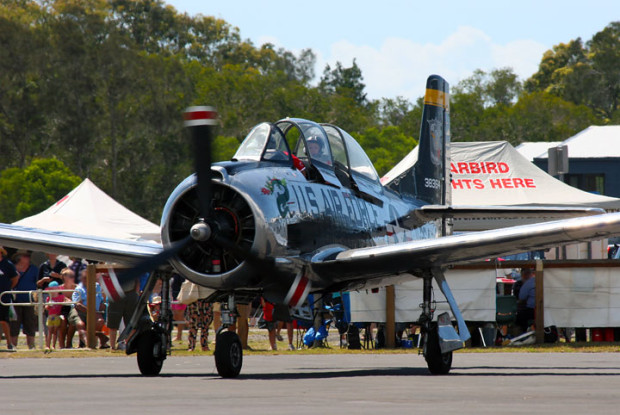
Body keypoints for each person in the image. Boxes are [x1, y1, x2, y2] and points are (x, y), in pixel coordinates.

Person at [69, 268, 108, 348]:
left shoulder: (96, 286)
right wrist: (91, 312)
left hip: (95, 311)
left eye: (89, 277)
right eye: (85, 278)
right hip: (80, 312)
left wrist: (103, 306)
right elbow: (78, 305)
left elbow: (101, 300)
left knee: (100, 321)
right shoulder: (79, 289)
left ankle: (97, 342)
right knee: (81, 324)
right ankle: (88, 344)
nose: (87, 279)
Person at [10, 251, 38, 349]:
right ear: (19, 257)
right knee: (14, 324)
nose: (28, 257)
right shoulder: (12, 268)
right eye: (26, 256)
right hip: (15, 300)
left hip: (29, 300)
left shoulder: (33, 269)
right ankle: (13, 346)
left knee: (30, 323)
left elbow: (37, 282)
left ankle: (31, 346)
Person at [106, 277, 139, 350]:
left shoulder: (131, 265)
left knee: (131, 322)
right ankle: (112, 346)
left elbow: (137, 278)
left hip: (131, 293)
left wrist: (136, 292)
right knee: (113, 323)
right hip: (115, 293)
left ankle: (130, 345)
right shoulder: (112, 265)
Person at [184, 283, 214, 351]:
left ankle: (204, 345)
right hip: (194, 295)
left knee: (205, 323)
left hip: (207, 296)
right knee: (193, 323)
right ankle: (191, 345)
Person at [0, 246, 18, 350]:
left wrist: (8, 288)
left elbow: (15, 278)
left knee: (4, 320)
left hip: (4, 296)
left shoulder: (7, 264)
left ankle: (9, 343)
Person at [57, 268, 76, 348]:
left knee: (73, 323)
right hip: (62, 309)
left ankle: (69, 343)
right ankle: (61, 344)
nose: (72, 278)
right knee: (63, 322)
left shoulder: (76, 287)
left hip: (73, 308)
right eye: (69, 276)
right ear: (64, 277)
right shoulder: (59, 288)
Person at [44, 281, 66, 351]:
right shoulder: (48, 298)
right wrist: (48, 305)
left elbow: (66, 301)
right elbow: (46, 307)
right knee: (49, 331)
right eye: (51, 290)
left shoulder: (61, 297)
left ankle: (53, 345)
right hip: (50, 316)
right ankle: (47, 345)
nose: (53, 291)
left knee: (55, 331)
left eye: (55, 289)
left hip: (57, 316)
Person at [516, 268, 536, 333]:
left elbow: (521, 297)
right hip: (544, 309)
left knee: (519, 317)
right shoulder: (539, 280)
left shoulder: (528, 283)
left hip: (532, 310)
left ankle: (523, 334)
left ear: (523, 275)